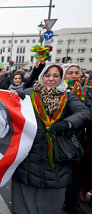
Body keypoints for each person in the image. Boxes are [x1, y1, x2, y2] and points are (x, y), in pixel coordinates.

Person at [12, 64, 91, 214]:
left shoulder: (67, 97)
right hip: (29, 157)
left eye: (56, 76)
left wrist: (67, 123)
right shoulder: (29, 93)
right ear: (42, 77)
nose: (51, 79)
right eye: (48, 75)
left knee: (50, 203)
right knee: (24, 202)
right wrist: (15, 98)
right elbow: (7, 103)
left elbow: (84, 113)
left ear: (60, 79)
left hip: (56, 158)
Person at [62, 63, 92, 214]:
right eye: (70, 73)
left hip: (77, 139)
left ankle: (72, 204)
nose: (74, 76)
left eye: (76, 73)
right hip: (60, 140)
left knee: (75, 174)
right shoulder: (58, 91)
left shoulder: (84, 91)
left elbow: (87, 113)